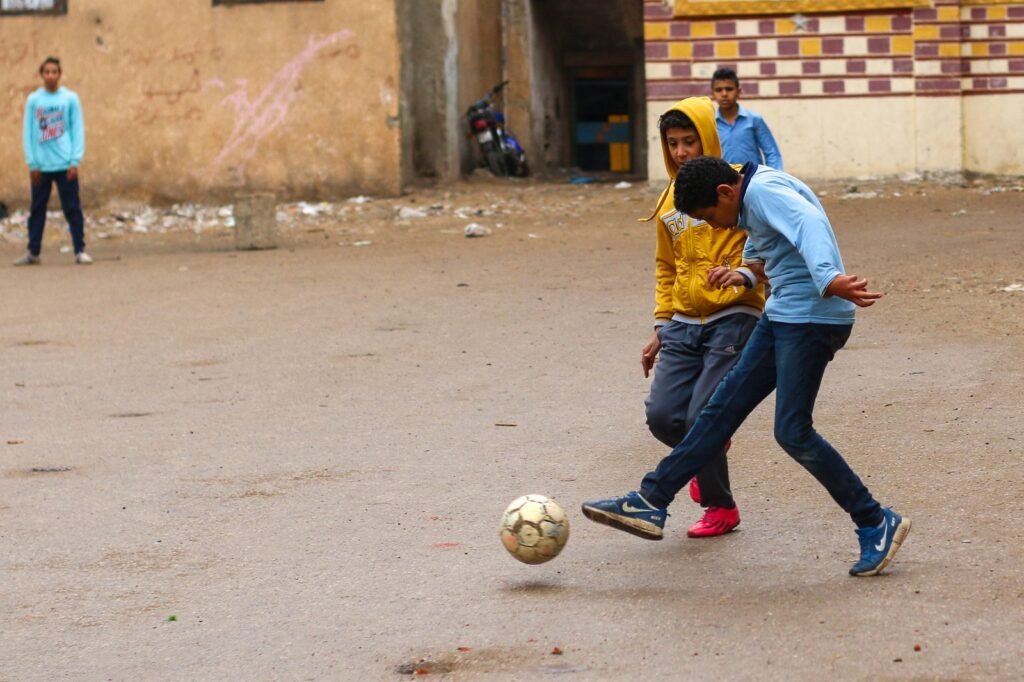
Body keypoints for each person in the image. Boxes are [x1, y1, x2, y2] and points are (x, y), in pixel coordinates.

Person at [583, 156, 911, 577]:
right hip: (783, 312)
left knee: (792, 431)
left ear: (725, 192)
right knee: (718, 412)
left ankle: (875, 520)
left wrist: (828, 277)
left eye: (710, 217)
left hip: (812, 318)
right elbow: (768, 247)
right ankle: (651, 501)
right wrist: (746, 276)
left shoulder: (763, 191)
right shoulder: (751, 193)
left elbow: (808, 223)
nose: (717, 227)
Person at [640, 96, 766, 538]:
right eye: (672, 143)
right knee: (663, 416)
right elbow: (665, 266)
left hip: (733, 315)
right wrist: (661, 323)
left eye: (689, 141)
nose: (680, 152)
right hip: (683, 323)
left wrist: (744, 278)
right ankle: (700, 452)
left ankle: (720, 507)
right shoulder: (667, 203)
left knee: (701, 418)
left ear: (707, 138)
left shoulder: (733, 190)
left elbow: (765, 251)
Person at [15, 56, 91, 266]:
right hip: (41, 167)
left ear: (59, 74)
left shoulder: (69, 99)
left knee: (72, 208)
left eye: (54, 72)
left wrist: (75, 161)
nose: (50, 75)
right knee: (37, 209)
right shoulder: (34, 100)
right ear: (41, 75)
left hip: (65, 165)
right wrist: (32, 163)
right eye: (47, 72)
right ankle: (33, 252)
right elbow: (28, 133)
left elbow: (77, 130)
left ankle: (79, 250)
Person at [711, 67, 783, 170]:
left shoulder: (754, 120)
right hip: (723, 181)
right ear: (712, 93)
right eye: (718, 90)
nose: (724, 94)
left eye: (729, 89)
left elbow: (772, 153)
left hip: (752, 180)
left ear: (738, 91)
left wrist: (775, 179)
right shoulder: (711, 124)